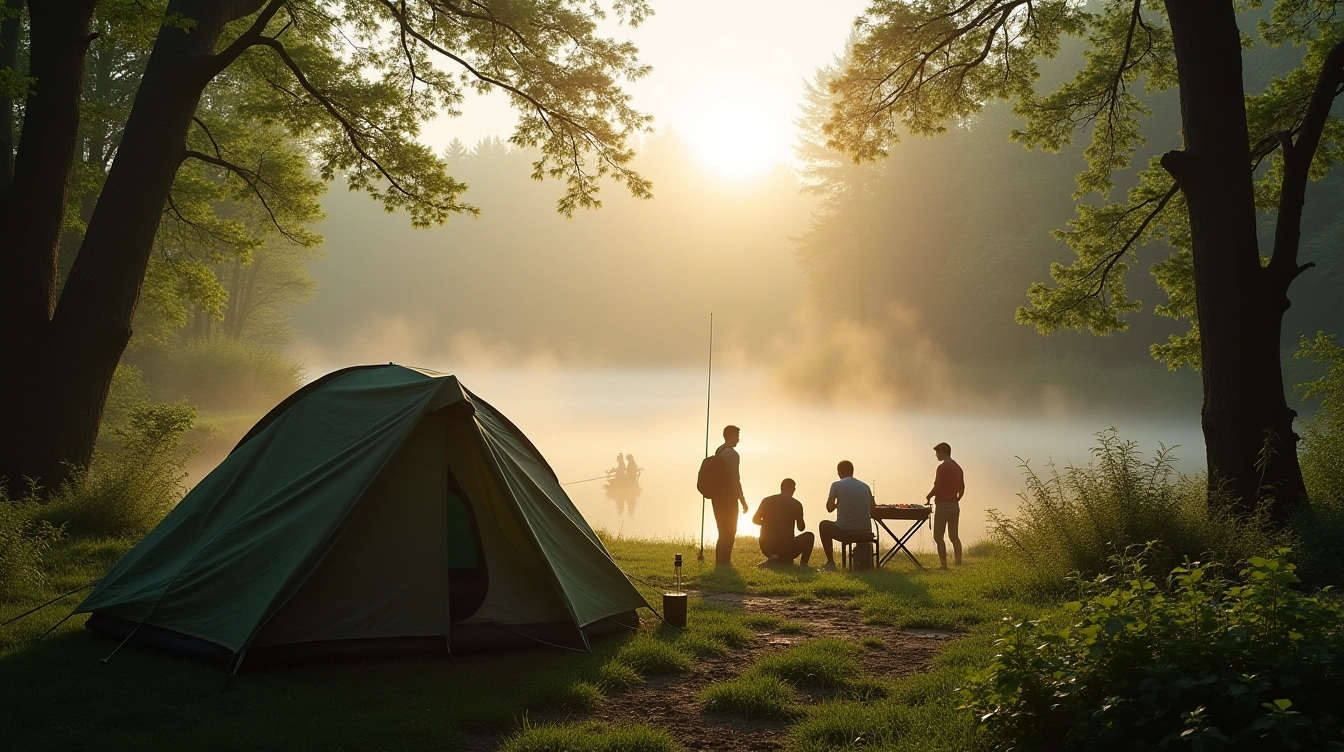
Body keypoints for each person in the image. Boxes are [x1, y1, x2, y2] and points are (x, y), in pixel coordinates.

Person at [819, 460, 877, 570]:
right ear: (852, 471)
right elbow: (873, 508)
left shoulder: (837, 485)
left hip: (846, 532)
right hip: (865, 532)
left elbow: (829, 508)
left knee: (823, 525)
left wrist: (837, 505)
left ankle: (830, 562)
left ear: (839, 473)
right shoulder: (865, 486)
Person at [752, 478, 814, 566]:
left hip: (766, 546)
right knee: (809, 536)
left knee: (785, 560)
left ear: (781, 488)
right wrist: (800, 515)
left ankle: (774, 559)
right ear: (792, 489)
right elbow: (801, 528)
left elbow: (755, 519)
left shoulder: (766, 500)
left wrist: (768, 524)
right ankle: (803, 564)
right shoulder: (796, 504)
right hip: (786, 548)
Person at [710, 425, 748, 566]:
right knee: (730, 532)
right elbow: (735, 479)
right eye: (736, 436)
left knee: (722, 531)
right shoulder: (732, 454)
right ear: (731, 436)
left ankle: (719, 562)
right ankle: (725, 563)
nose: (738, 439)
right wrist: (742, 500)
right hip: (729, 498)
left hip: (717, 497)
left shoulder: (719, 450)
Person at [925, 442, 965, 569]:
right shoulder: (958, 468)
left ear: (943, 452)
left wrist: (928, 496)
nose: (936, 455)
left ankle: (944, 565)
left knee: (938, 536)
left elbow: (937, 487)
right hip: (954, 505)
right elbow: (962, 488)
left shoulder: (942, 467)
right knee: (954, 536)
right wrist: (956, 499)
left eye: (937, 452)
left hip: (942, 505)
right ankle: (958, 562)